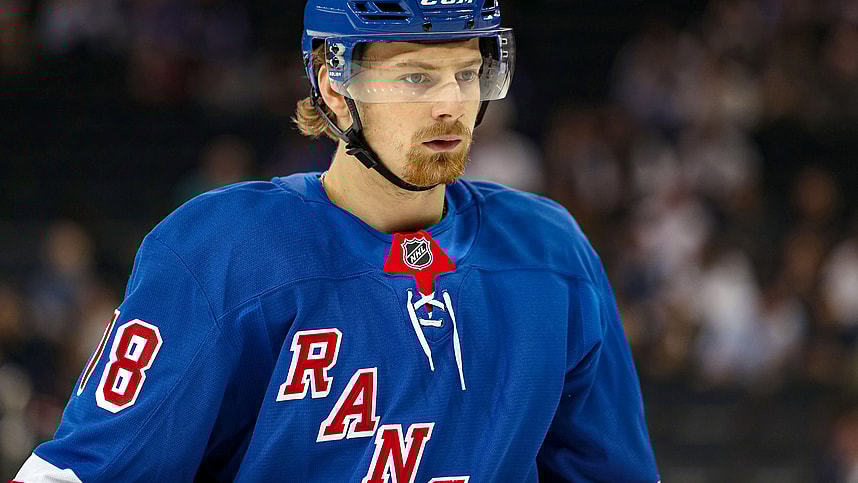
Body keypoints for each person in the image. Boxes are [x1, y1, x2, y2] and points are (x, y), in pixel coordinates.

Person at [14, 1, 660, 481]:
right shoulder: (222, 252)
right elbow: (81, 471)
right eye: (415, 77)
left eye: (466, 74)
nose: (450, 105)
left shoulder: (550, 254)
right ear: (333, 85)